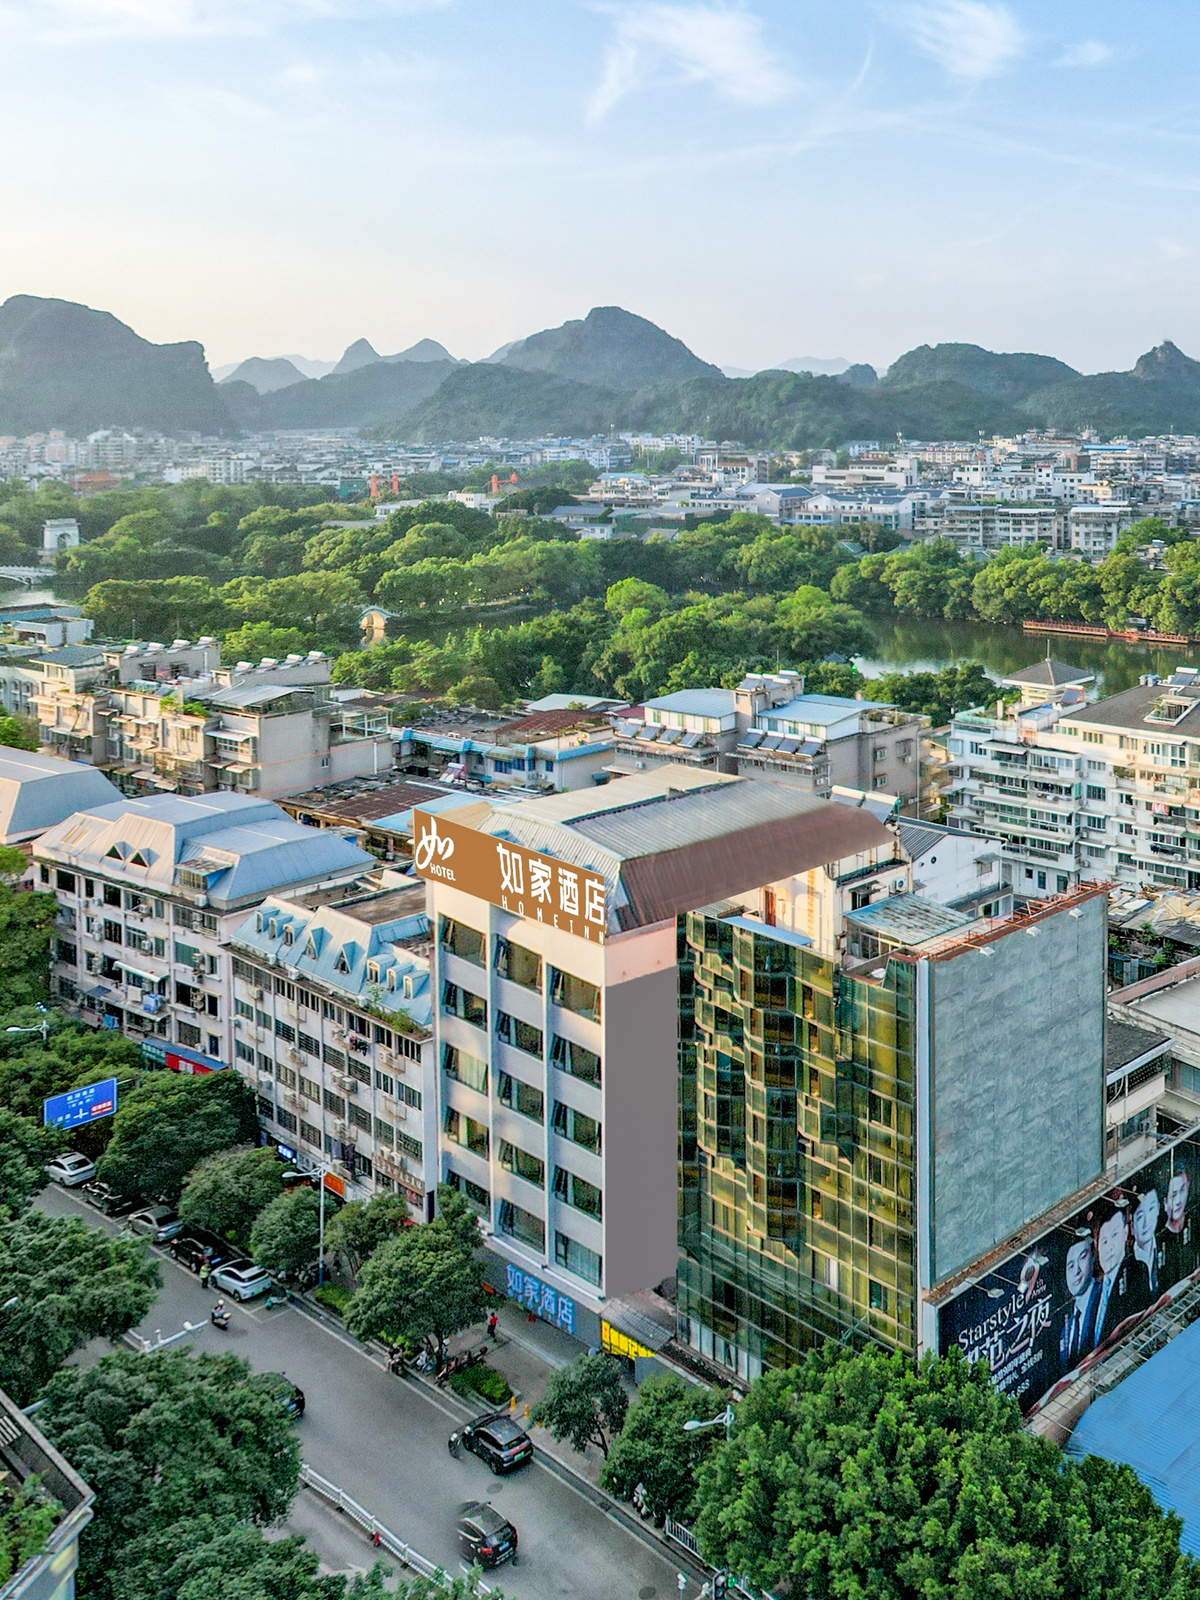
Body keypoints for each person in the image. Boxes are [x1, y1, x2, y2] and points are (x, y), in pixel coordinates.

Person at [1091, 1202, 1135, 1350]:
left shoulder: (1135, 1271)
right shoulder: (1096, 1294)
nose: (1109, 1247)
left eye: (1114, 1235)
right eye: (1104, 1241)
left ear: (1125, 1232)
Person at [1058, 1232, 1100, 1375]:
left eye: (1082, 1258)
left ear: (1093, 1258)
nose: (1076, 1271)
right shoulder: (1067, 1327)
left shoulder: (1104, 1298)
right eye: (1070, 1266)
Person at [1128, 1181, 1162, 1308]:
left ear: (1158, 1209)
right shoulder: (1128, 1264)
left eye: (1152, 1209)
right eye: (1141, 1216)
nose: (1147, 1222)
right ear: (1132, 1224)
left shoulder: (1168, 1244)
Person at [1162, 1166, 1195, 1289]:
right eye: (1173, 1195)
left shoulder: (1194, 1220)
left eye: (1182, 1191)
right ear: (1165, 1202)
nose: (1178, 1201)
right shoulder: (1161, 1238)